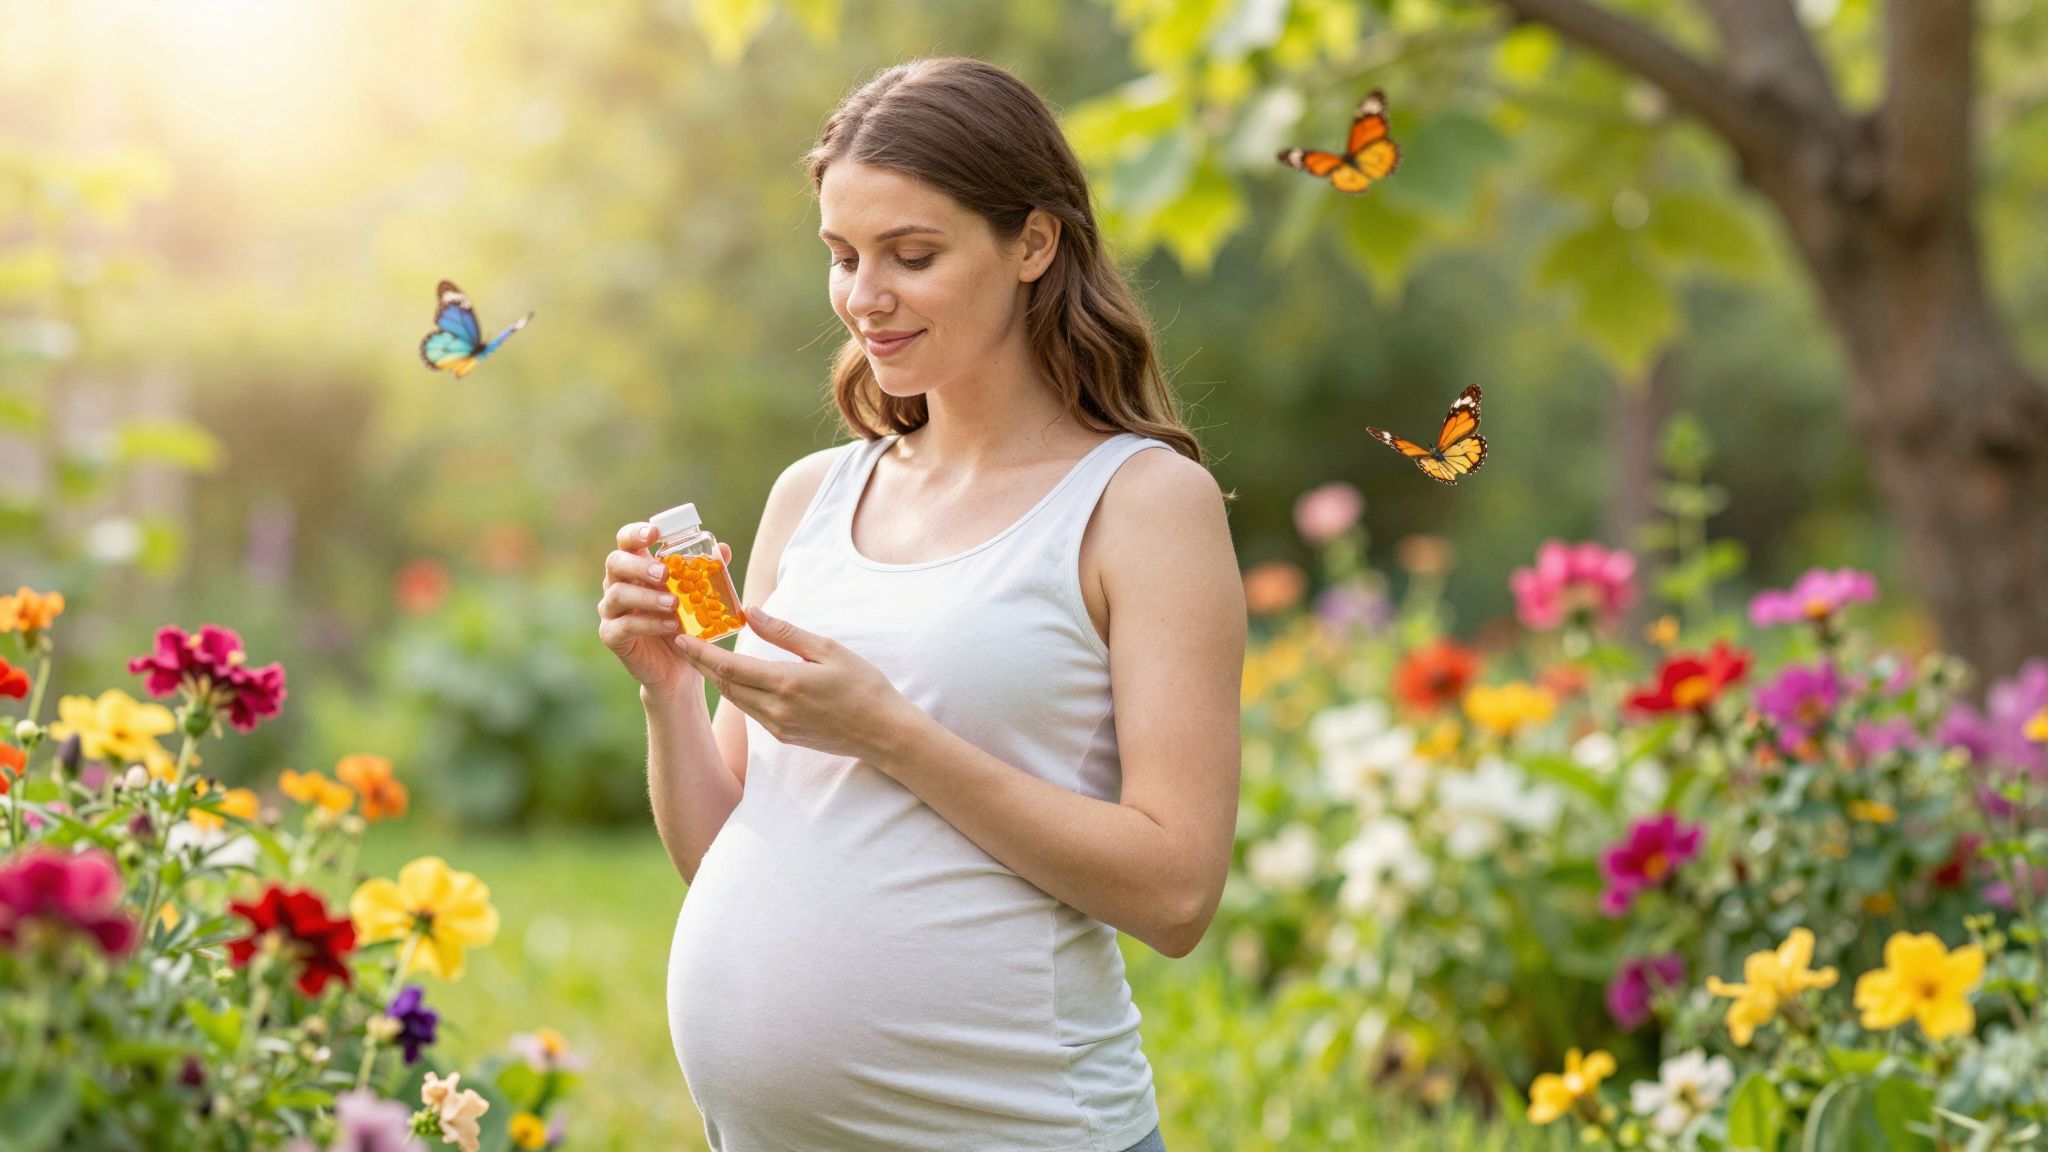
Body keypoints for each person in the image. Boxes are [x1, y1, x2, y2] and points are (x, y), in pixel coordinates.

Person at [597, 55, 1244, 1152]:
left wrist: (888, 734)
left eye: (912, 254)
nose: (864, 297)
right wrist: (665, 694)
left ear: (1032, 244)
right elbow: (725, 848)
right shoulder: (811, 495)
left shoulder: (1141, 505)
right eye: (842, 256)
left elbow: (1176, 894)